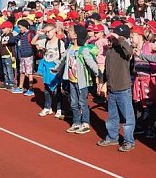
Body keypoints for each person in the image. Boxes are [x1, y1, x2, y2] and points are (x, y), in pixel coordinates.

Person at [97, 24, 137, 152]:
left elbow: (129, 51)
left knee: (127, 117)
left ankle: (129, 141)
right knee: (112, 116)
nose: (111, 39)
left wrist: (120, 39)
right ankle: (112, 137)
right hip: (112, 89)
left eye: (114, 37)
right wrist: (102, 81)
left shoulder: (124, 50)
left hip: (123, 89)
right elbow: (107, 69)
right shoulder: (110, 51)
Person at [53, 24, 98, 134]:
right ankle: (76, 122)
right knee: (74, 103)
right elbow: (63, 59)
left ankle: (85, 123)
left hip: (82, 82)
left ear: (76, 35)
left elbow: (91, 63)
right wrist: (56, 68)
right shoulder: (70, 48)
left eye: (70, 32)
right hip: (72, 80)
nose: (68, 33)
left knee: (82, 103)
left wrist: (99, 74)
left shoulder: (83, 50)